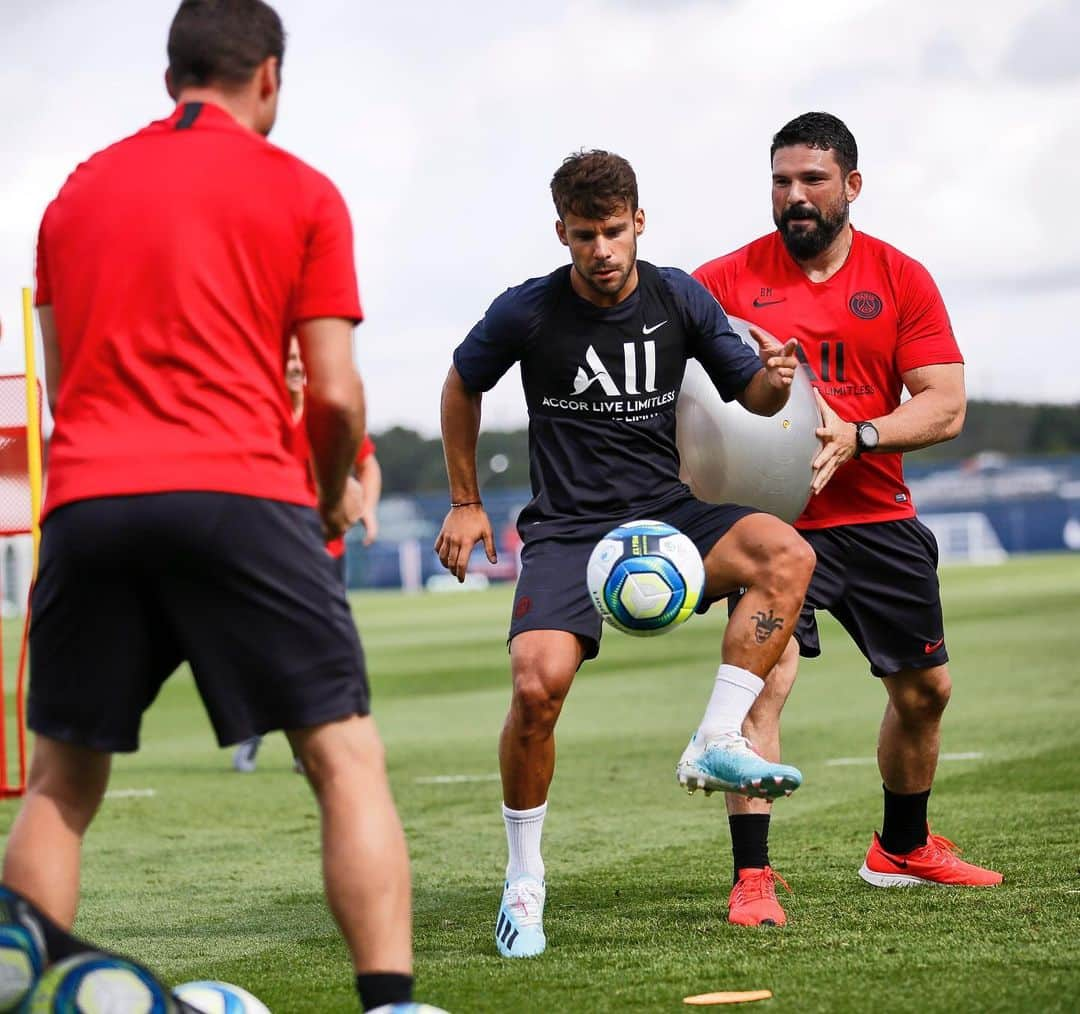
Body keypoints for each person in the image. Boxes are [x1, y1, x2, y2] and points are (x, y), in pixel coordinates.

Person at [0, 3, 433, 1011]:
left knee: (61, 784)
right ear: (269, 78)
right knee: (342, 757)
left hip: (93, 497)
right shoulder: (303, 191)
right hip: (242, 490)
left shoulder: (74, 196)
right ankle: (392, 1002)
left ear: (171, 76)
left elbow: (65, 388)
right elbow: (333, 394)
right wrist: (326, 497)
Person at [435, 149, 816, 958]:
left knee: (785, 556)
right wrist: (466, 502)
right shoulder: (528, 311)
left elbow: (751, 391)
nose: (601, 250)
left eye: (613, 231)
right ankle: (524, 880)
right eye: (583, 235)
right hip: (569, 532)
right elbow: (462, 381)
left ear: (639, 222)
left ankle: (716, 738)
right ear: (562, 233)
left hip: (669, 519)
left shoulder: (678, 293)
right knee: (537, 688)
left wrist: (778, 384)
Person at [694, 111, 1002, 928]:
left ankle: (901, 849)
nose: (794, 197)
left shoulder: (900, 277)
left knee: (925, 691)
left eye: (812, 180)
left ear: (851, 186)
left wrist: (860, 435)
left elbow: (945, 404)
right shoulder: (720, 283)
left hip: (876, 514)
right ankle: (752, 879)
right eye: (780, 181)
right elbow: (670, 390)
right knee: (764, 685)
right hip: (773, 530)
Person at [232, 335, 383, 773]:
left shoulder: (327, 415)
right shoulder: (260, 418)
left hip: (323, 546)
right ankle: (254, 726)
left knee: (328, 640)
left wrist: (367, 510)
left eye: (303, 357)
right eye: (289, 358)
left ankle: (330, 736)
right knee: (264, 641)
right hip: (269, 547)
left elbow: (366, 464)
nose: (297, 365)